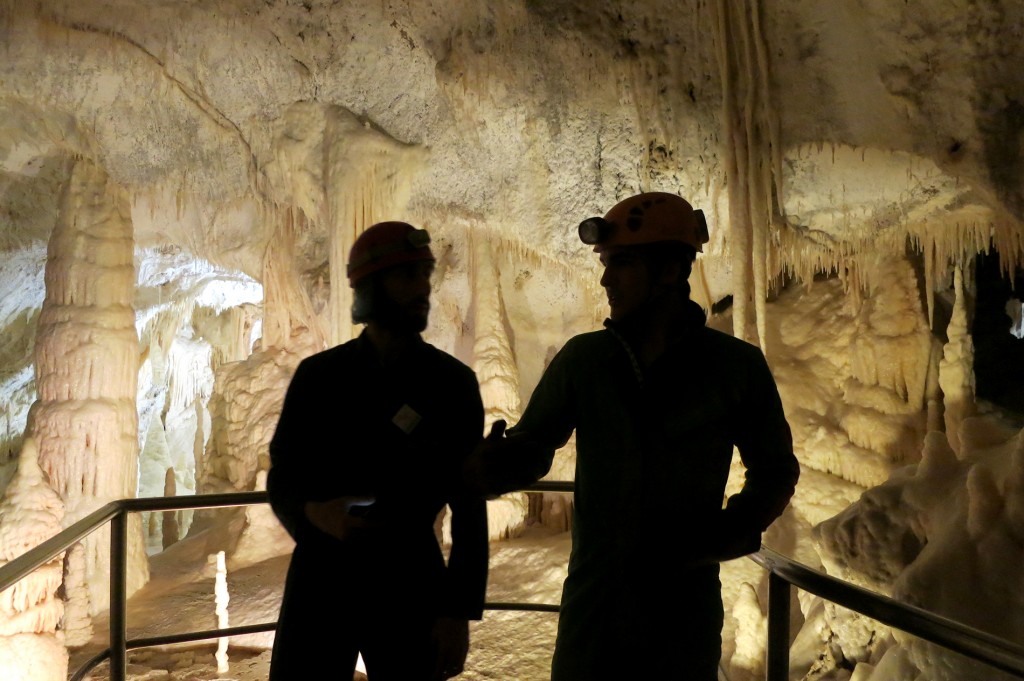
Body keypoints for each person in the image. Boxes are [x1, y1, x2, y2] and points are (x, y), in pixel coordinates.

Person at [469, 192, 800, 679]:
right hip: (594, 614)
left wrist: (726, 533)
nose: (605, 279)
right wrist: (494, 466)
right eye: (606, 264)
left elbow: (775, 470)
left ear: (669, 271)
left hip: (681, 618)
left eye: (620, 264)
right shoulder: (585, 360)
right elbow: (535, 445)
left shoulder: (733, 368)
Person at [267, 221, 488, 680]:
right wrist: (314, 513)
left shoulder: (451, 385)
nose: (423, 289)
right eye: (409, 277)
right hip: (323, 576)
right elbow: (283, 476)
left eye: (426, 276)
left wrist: (457, 613)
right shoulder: (318, 377)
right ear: (371, 286)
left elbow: (469, 506)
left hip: (408, 575)